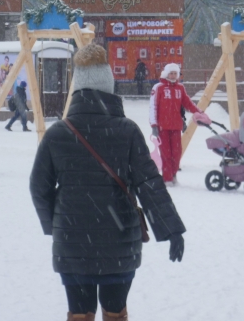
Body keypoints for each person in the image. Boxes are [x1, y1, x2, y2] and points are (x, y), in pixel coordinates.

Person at [30, 44, 186, 320]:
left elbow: (39, 187)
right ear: (109, 87)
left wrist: (57, 223)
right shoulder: (126, 131)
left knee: (79, 312)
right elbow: (149, 182)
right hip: (119, 241)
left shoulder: (57, 134)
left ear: (77, 89)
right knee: (115, 311)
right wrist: (171, 229)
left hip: (72, 242)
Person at [149, 62, 210, 185]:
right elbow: (153, 107)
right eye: (171, 73)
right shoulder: (158, 88)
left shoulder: (180, 88)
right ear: (166, 73)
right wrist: (154, 125)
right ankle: (167, 179)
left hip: (176, 126)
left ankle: (174, 174)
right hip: (162, 127)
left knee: (176, 153)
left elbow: (187, 103)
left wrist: (199, 112)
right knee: (166, 153)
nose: (172, 76)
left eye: (175, 73)